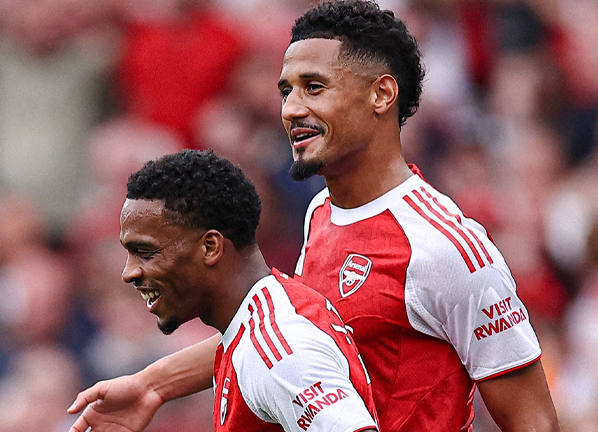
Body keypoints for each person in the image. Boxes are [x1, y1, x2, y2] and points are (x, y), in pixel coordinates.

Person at [68, 1, 561, 431]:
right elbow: (282, 339)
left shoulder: (445, 248)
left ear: (381, 95)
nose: (290, 109)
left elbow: (533, 420)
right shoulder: (320, 212)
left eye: (314, 87)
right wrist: (153, 384)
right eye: (287, 91)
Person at [73, 148, 379, 432]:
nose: (128, 273)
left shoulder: (279, 351)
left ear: (210, 247)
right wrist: (152, 385)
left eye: (146, 252)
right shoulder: (254, 329)